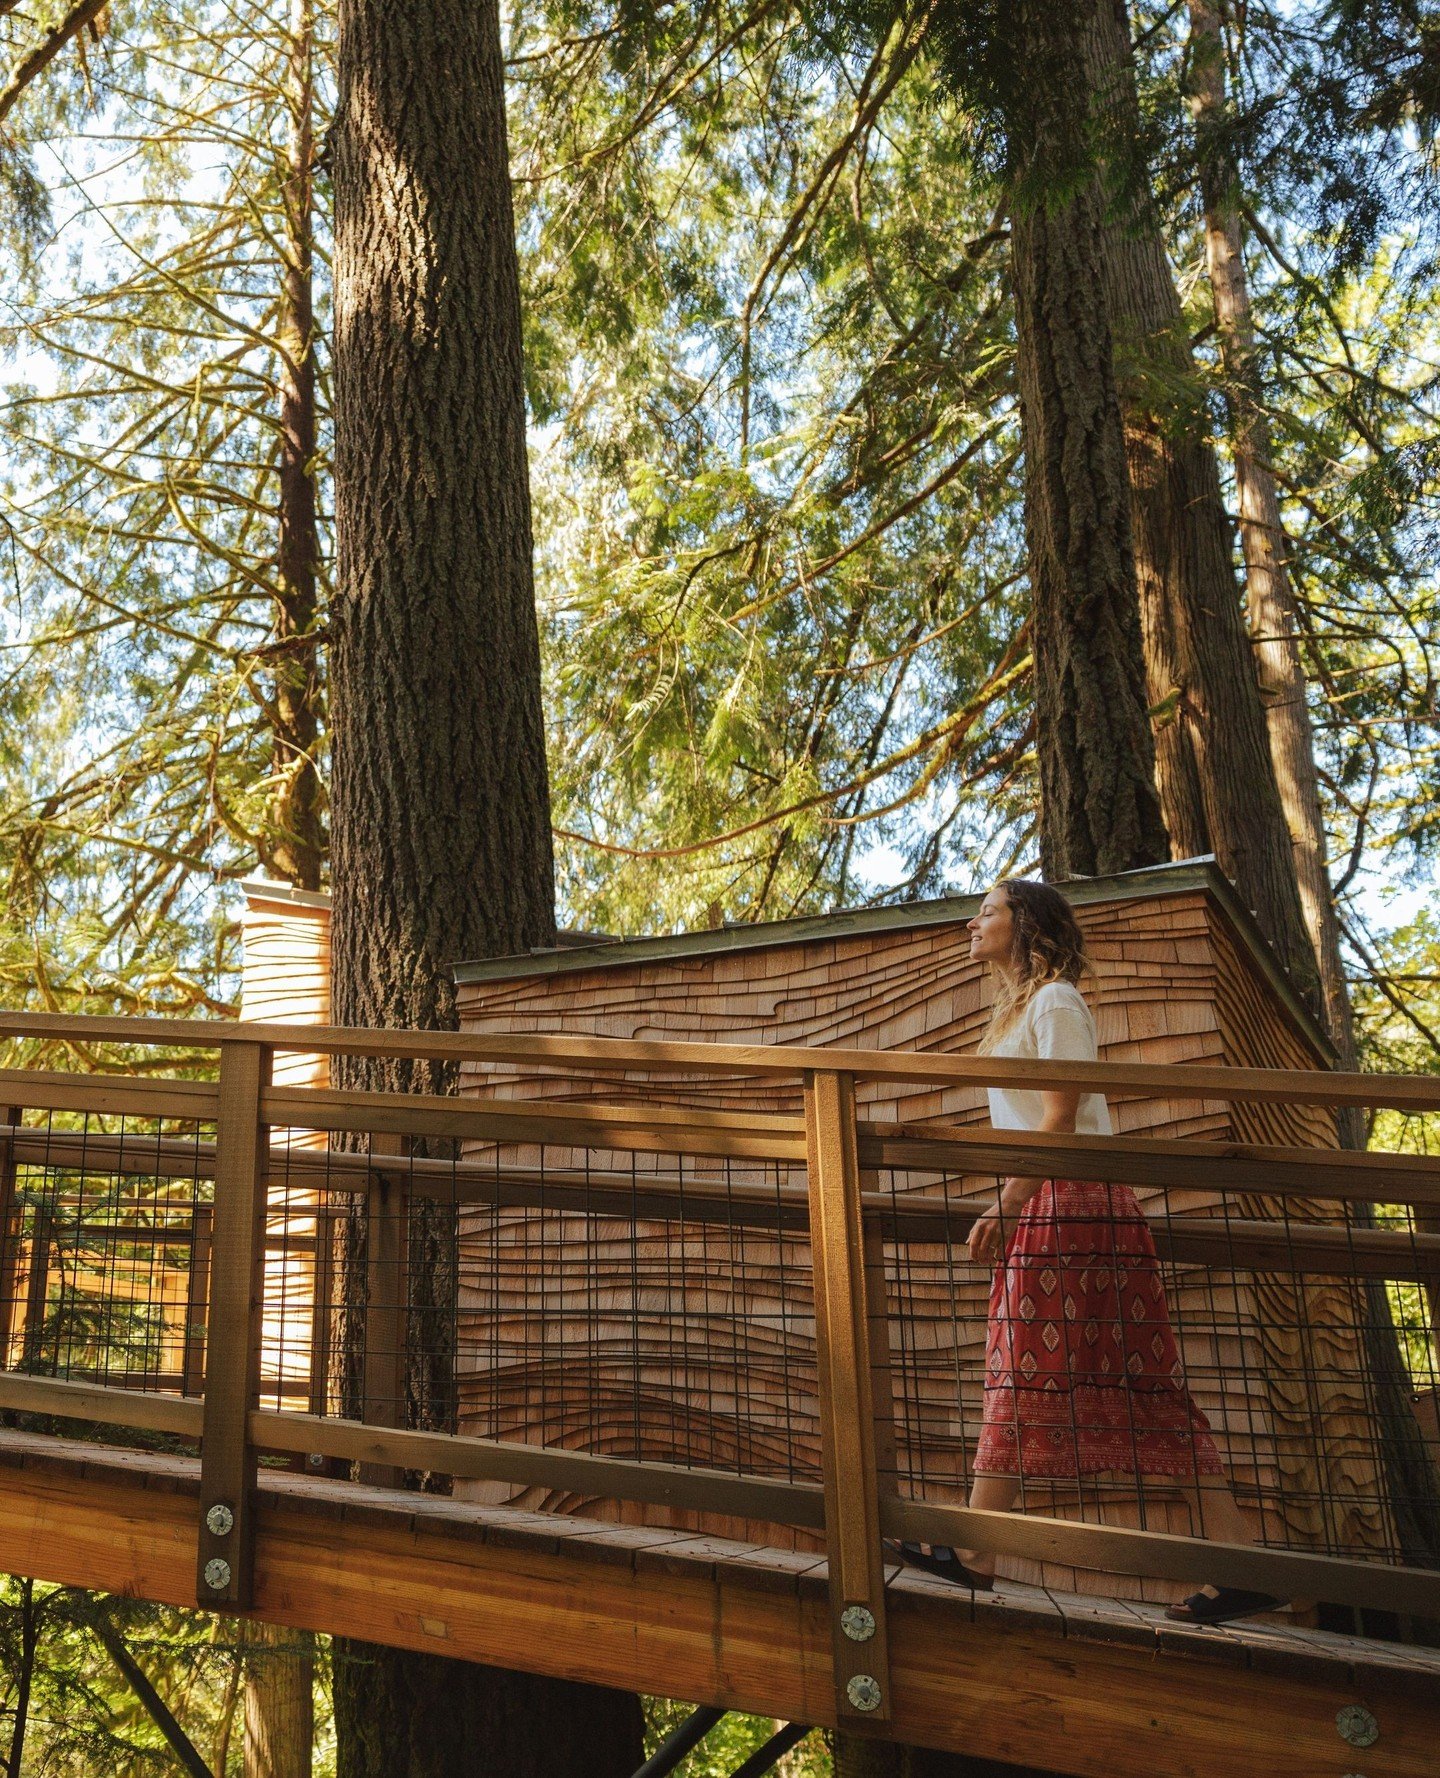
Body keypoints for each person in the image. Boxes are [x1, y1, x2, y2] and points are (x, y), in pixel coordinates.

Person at [892, 877, 1283, 1627]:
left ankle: (977, 1552)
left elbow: (1063, 1121)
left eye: (990, 911)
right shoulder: (1018, 1012)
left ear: (1028, 923)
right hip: (1053, 1204)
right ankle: (1244, 1566)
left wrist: (1008, 1204)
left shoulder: (1056, 1003)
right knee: (1103, 1381)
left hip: (1074, 1207)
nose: (973, 922)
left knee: (1067, 1375)